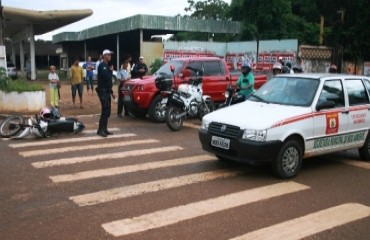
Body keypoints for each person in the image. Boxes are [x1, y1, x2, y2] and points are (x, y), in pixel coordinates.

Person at [96, 49, 115, 137]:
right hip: (102, 91)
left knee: (107, 110)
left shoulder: (107, 66)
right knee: (104, 110)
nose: (109, 56)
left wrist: (111, 92)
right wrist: (111, 71)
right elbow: (106, 78)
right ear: (104, 56)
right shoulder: (102, 66)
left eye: (110, 55)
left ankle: (105, 128)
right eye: (108, 55)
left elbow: (108, 82)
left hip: (107, 91)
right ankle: (100, 129)